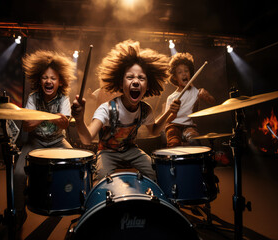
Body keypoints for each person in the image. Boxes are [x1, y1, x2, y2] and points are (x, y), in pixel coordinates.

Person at [71, 39, 176, 182]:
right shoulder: (107, 108)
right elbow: (87, 138)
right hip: (107, 152)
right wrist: (78, 119)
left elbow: (154, 131)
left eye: (141, 78)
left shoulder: (145, 109)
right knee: (101, 178)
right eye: (130, 77)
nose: (136, 81)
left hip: (131, 150)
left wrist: (169, 111)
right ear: (121, 83)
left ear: (148, 85)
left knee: (155, 171)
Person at [14, 50, 76, 229]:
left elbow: (64, 124)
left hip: (58, 141)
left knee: (79, 163)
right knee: (18, 173)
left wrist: (40, 117)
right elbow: (27, 126)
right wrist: (50, 116)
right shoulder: (33, 97)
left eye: (53, 78)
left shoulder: (64, 98)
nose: (49, 81)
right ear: (39, 80)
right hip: (35, 142)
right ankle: (19, 212)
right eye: (44, 77)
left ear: (60, 81)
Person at [165, 52, 215, 147]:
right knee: (173, 143)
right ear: (175, 77)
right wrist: (173, 113)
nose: (184, 74)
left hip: (189, 126)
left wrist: (207, 96)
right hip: (173, 126)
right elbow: (167, 121)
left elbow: (213, 102)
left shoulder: (196, 91)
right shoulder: (171, 97)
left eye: (186, 71)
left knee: (194, 141)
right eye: (179, 72)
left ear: (191, 73)